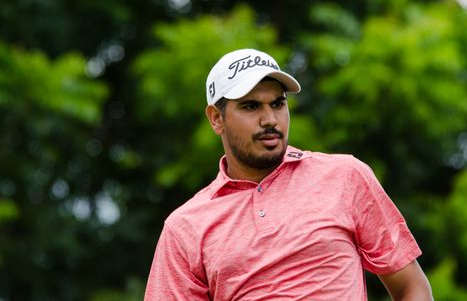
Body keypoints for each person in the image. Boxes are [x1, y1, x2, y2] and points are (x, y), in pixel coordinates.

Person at [144, 48, 433, 300]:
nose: (270, 119)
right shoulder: (185, 228)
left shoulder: (345, 176)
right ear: (217, 119)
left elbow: (412, 288)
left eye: (278, 104)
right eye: (251, 106)